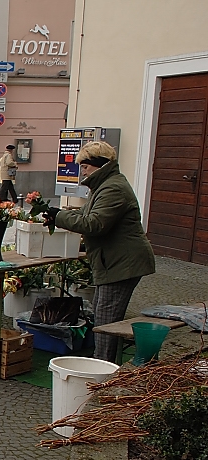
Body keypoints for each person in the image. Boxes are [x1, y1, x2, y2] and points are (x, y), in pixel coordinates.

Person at [42, 142, 156, 362]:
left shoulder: (113, 188)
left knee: (106, 320)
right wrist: (57, 215)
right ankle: (103, 363)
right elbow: (85, 215)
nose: (82, 172)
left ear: (99, 165)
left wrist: (60, 217)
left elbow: (94, 224)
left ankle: (103, 368)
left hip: (123, 263)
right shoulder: (103, 186)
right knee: (104, 315)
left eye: (85, 167)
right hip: (114, 261)